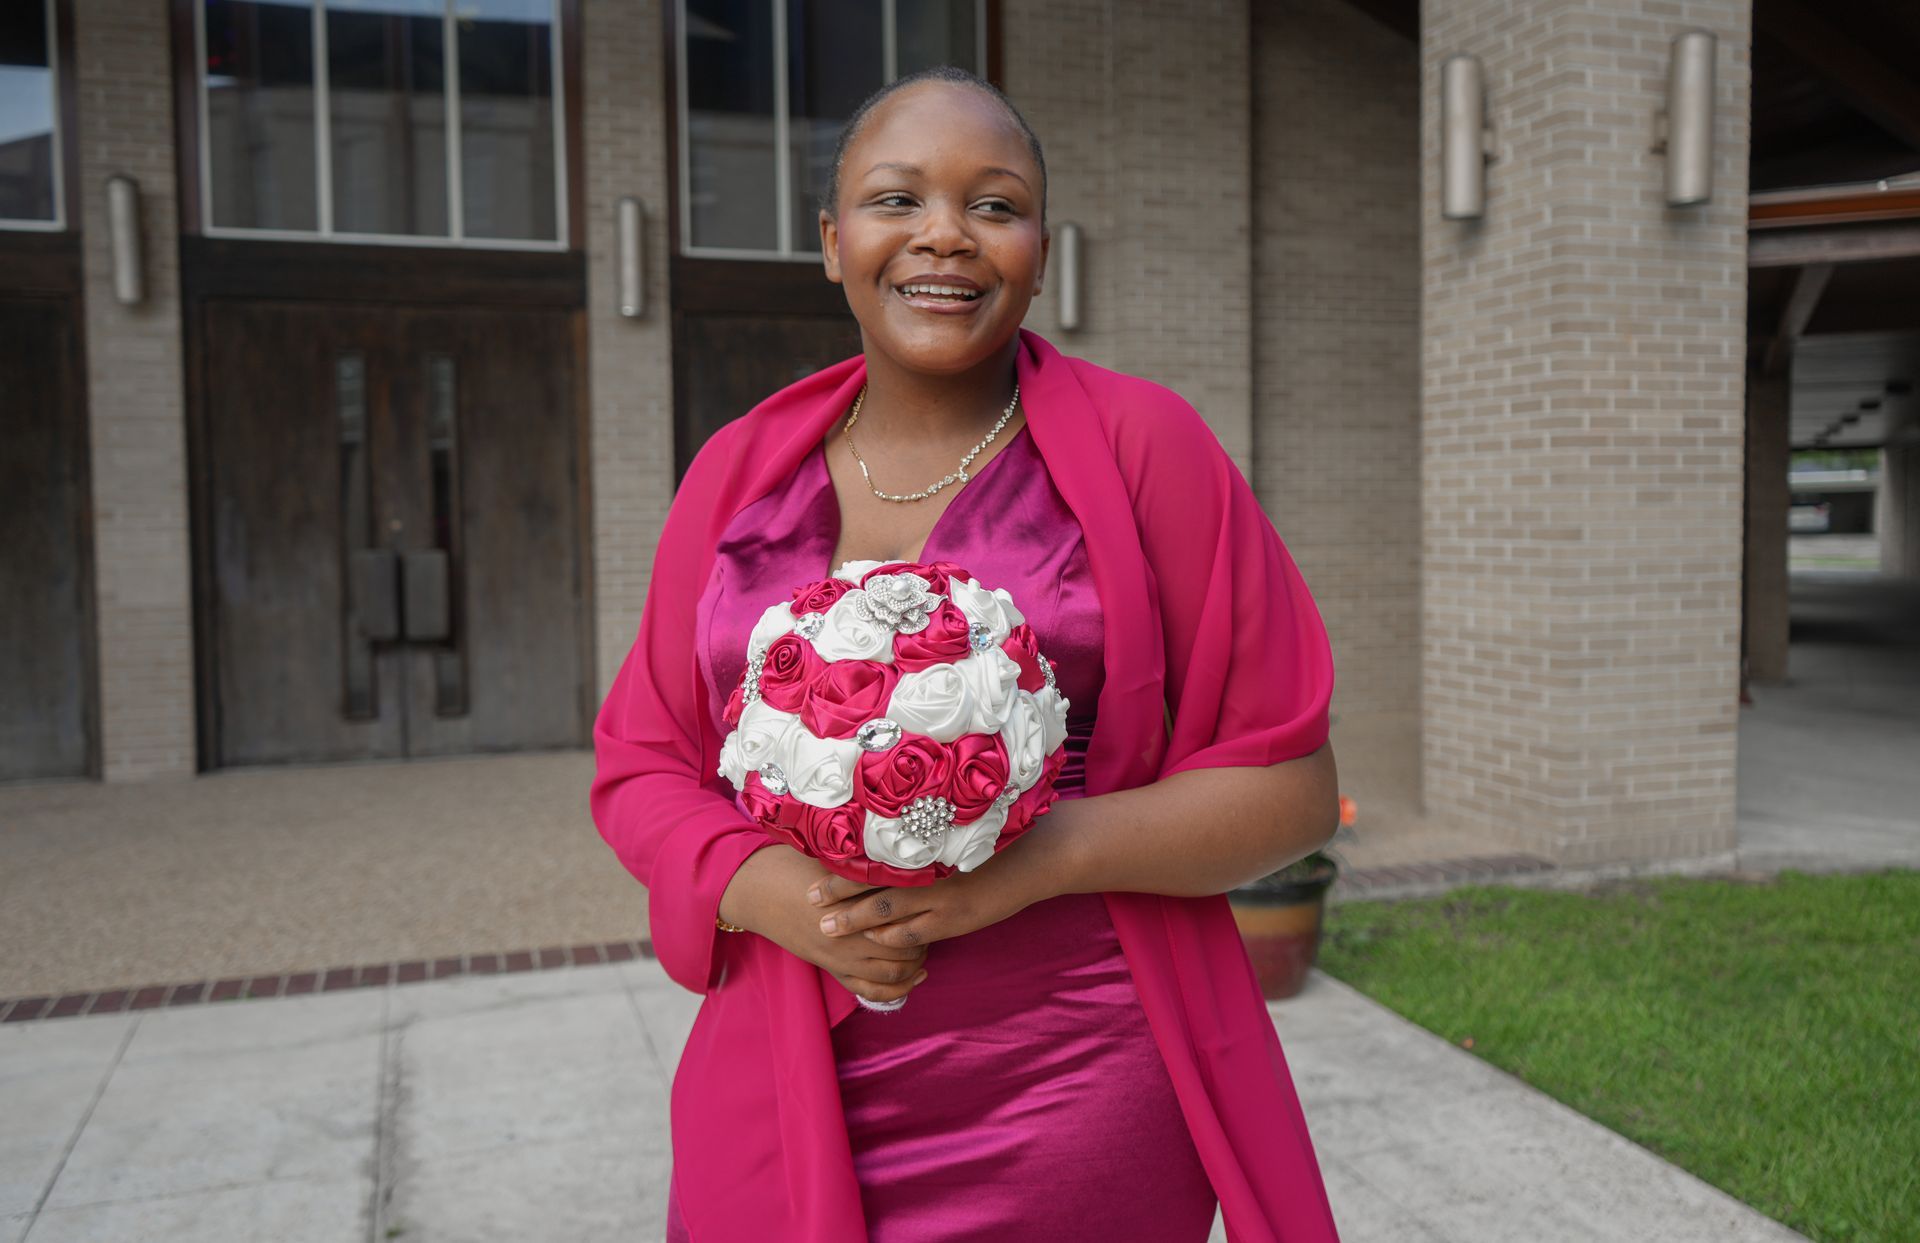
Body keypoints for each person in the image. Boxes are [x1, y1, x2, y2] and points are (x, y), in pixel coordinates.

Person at [591, 67, 1343, 1242]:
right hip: (791, 1044)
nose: (945, 232)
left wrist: (1037, 859)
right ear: (834, 243)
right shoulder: (736, 473)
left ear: (1041, 252)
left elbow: (1292, 788)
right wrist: (773, 892)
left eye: (994, 205)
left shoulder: (1151, 448)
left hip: (1073, 1069)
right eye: (897, 199)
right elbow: (639, 767)